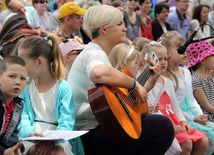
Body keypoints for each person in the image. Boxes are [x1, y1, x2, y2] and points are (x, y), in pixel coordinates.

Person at [67, 5, 174, 155]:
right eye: (119, 24)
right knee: (163, 126)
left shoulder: (100, 54)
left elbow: (120, 104)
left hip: (101, 130)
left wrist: (147, 86)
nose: (125, 28)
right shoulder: (93, 54)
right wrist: (135, 84)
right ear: (104, 29)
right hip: (89, 135)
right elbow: (97, 73)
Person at [17, 36, 82, 155]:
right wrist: (29, 133)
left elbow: (66, 122)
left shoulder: (63, 88)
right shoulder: (26, 86)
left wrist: (51, 142)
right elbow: (23, 115)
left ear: (39, 61)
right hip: (32, 136)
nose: (21, 68)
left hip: (58, 139)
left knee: (57, 152)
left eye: (24, 63)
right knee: (35, 152)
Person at [146, 41, 209, 155]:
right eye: (159, 59)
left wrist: (183, 121)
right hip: (164, 122)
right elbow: (154, 109)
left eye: (165, 59)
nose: (163, 62)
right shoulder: (149, 82)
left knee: (204, 142)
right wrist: (171, 126)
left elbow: (175, 107)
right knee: (187, 143)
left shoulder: (168, 82)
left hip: (174, 119)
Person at [161, 30, 214, 155]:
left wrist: (200, 115)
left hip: (193, 115)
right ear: (167, 53)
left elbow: (191, 98)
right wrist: (193, 118)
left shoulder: (185, 71)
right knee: (210, 135)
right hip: (181, 118)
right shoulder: (166, 76)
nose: (184, 51)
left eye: (185, 47)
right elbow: (173, 106)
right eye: (179, 48)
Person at [0, 55, 28, 155]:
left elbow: (13, 133)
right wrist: (3, 152)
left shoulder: (18, 104)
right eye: (12, 76)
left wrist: (16, 148)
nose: (17, 82)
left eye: (22, 78)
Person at [187, 40, 214, 122]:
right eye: (212, 56)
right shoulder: (195, 79)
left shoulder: (209, 78)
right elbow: (206, 106)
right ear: (202, 60)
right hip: (208, 117)